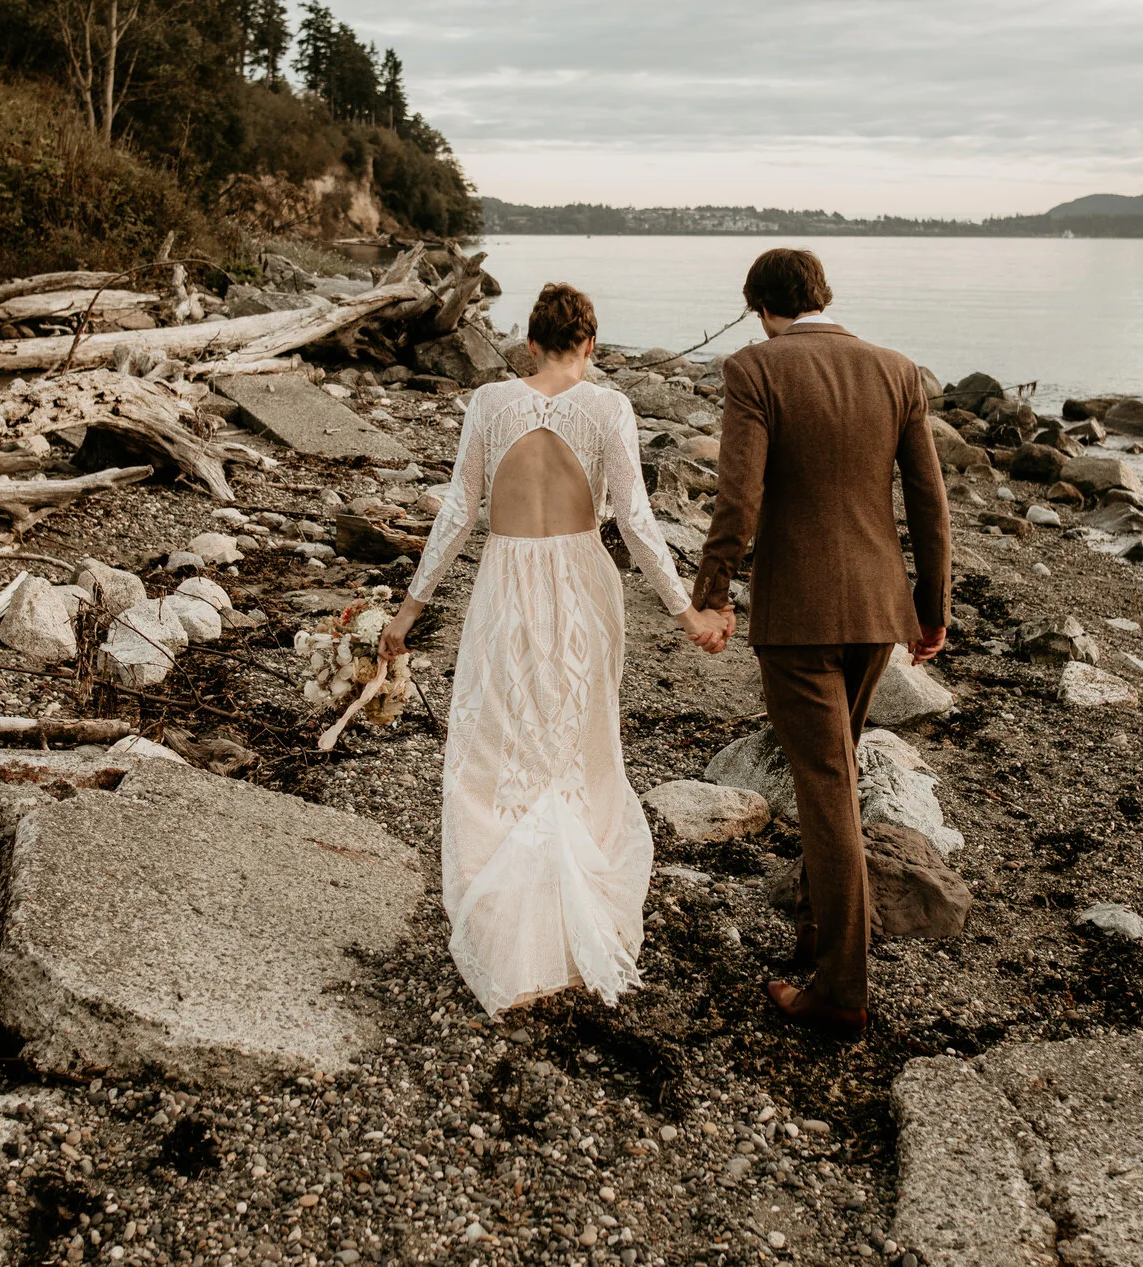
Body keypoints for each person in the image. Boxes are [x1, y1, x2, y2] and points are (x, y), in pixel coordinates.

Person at [381, 282, 731, 1016]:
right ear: (592, 346)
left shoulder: (489, 403)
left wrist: (408, 611)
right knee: (576, 744)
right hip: (581, 584)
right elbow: (634, 521)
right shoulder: (608, 407)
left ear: (530, 344)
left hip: (506, 578)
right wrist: (687, 610)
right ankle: (571, 923)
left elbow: (456, 515)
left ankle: (506, 914)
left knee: (499, 743)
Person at [690, 247, 951, 1037]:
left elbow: (740, 496)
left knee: (828, 789)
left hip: (799, 615)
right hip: (879, 612)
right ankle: (817, 931)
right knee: (835, 769)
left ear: (760, 305)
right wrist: (932, 607)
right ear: (822, 296)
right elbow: (930, 501)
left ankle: (841, 989)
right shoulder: (897, 368)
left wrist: (711, 591)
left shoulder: (756, 368)